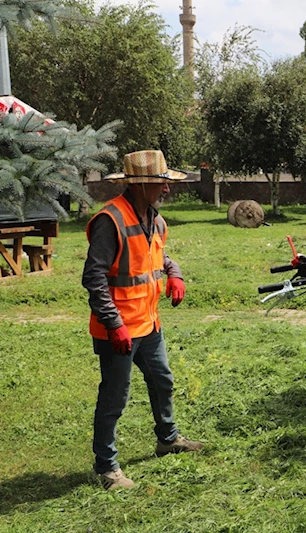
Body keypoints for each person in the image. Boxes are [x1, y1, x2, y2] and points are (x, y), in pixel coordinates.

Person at [82, 150, 203, 490]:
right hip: (118, 330)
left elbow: (159, 256)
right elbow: (93, 278)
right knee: (114, 398)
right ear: (139, 185)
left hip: (148, 324)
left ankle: (168, 439)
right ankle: (106, 468)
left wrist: (174, 273)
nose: (167, 190)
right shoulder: (111, 221)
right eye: (159, 183)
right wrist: (114, 324)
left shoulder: (155, 219)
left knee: (163, 380)